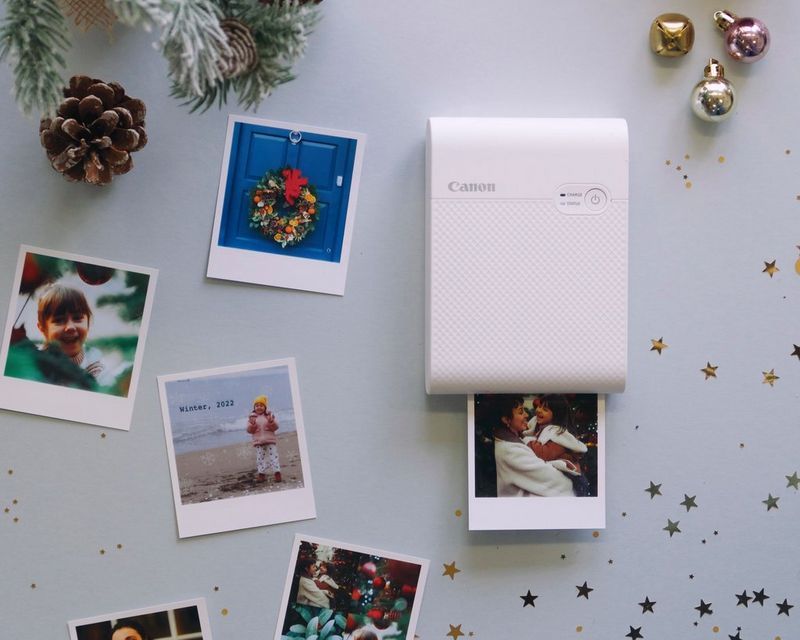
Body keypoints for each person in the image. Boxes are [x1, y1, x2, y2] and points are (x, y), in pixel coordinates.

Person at [491, 395, 574, 497]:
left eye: (545, 409)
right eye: (521, 412)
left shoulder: (556, 433)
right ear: (506, 420)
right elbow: (555, 480)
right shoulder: (511, 450)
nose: (526, 415)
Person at [521, 395, 591, 495]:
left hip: (568, 481)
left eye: (545, 409)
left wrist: (528, 440)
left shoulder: (558, 434)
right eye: (539, 406)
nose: (538, 410)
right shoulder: (540, 427)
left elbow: (543, 454)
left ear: (556, 415)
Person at [36, 284, 104, 379]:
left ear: (88, 323)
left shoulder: (94, 364)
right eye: (59, 320)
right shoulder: (33, 362)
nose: (70, 327)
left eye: (77, 318)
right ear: (42, 328)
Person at [246, 395, 281, 483]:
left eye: (261, 405)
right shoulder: (252, 418)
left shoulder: (269, 416)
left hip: (270, 441)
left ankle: (277, 473)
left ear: (265, 407)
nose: (259, 407)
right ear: (254, 407)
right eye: (257, 405)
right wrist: (252, 424)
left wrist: (271, 422)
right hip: (258, 442)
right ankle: (261, 474)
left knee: (274, 457)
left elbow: (275, 427)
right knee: (260, 458)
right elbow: (249, 430)